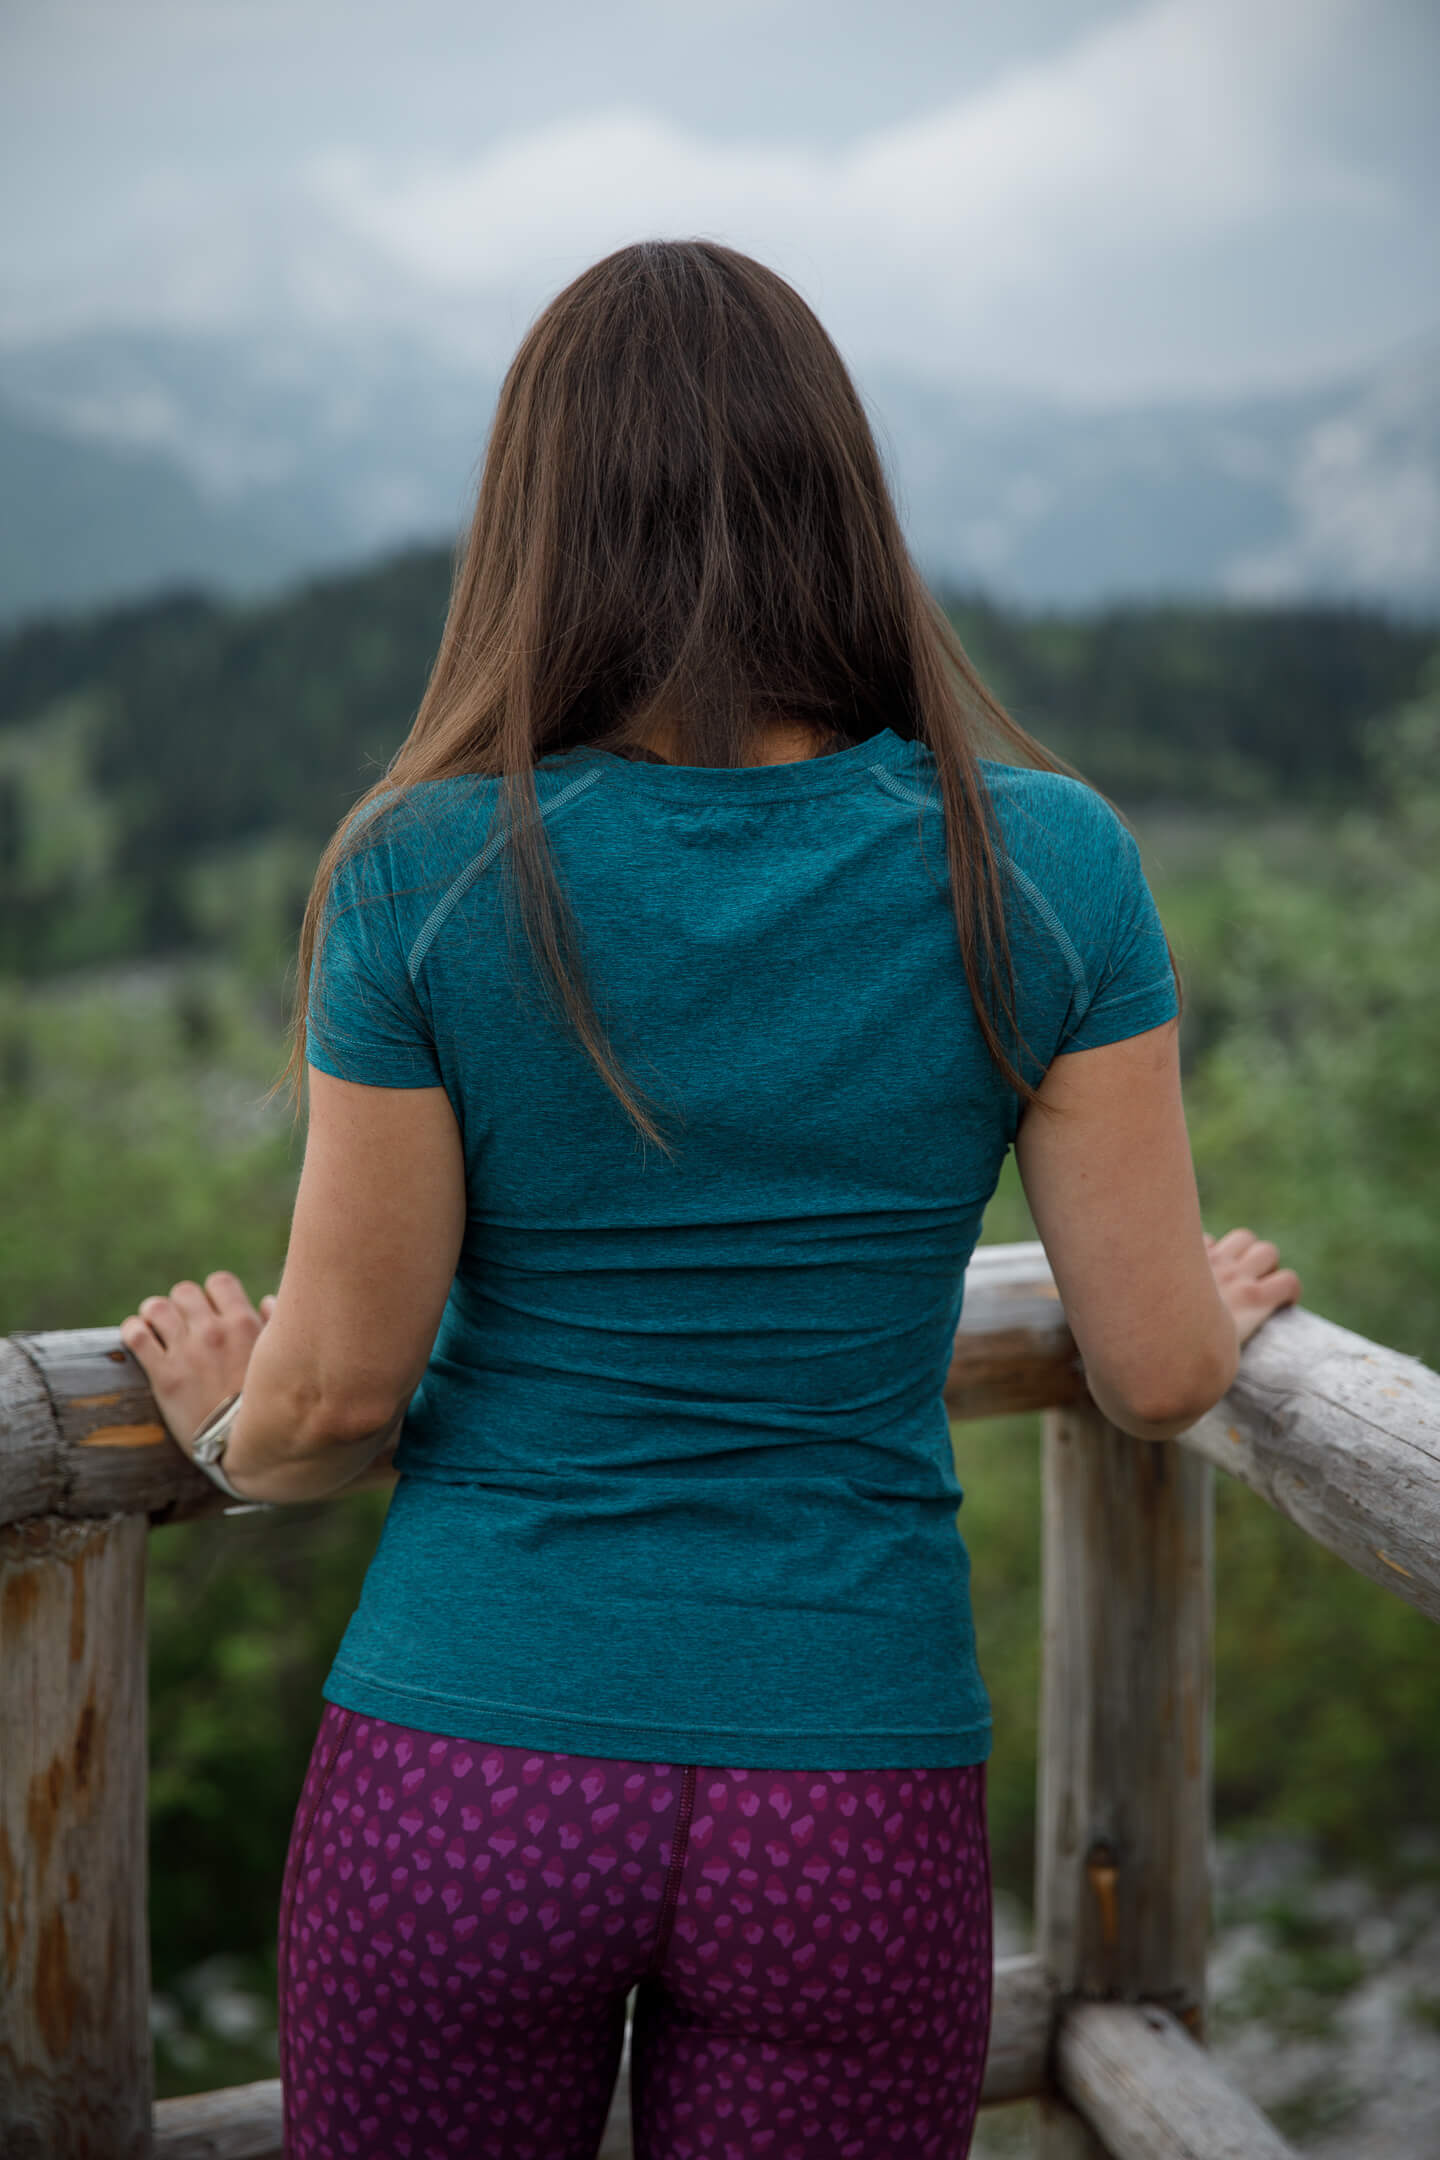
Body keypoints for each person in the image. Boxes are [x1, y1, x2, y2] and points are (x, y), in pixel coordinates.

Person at [120, 240, 1300, 2160]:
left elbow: (329, 1408)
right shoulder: (1049, 861)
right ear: (840, 494)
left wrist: (218, 1423)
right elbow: (1158, 1372)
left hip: (472, 1760)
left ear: (535, 523)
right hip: (847, 1777)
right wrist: (1211, 1303)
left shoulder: (423, 869)